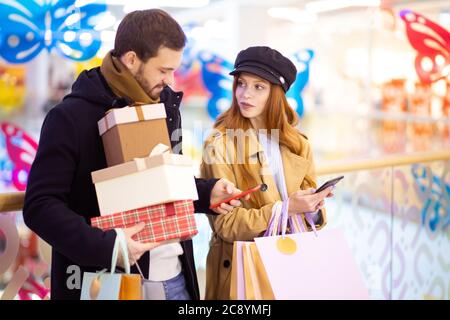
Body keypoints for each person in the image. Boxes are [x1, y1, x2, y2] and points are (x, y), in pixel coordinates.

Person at [23, 9, 246, 300]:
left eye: (174, 70)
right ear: (131, 60)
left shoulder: (165, 106)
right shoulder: (70, 117)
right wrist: (108, 245)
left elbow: (160, 182)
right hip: (104, 283)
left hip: (176, 279)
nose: (170, 80)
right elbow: (40, 206)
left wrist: (207, 193)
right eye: (163, 70)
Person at [200, 46, 334, 299]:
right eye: (241, 84)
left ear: (277, 94)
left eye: (258, 87)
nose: (245, 94)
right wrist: (285, 209)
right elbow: (226, 225)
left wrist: (313, 206)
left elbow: (313, 214)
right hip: (243, 273)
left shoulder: (297, 143)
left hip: (290, 266)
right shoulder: (220, 144)